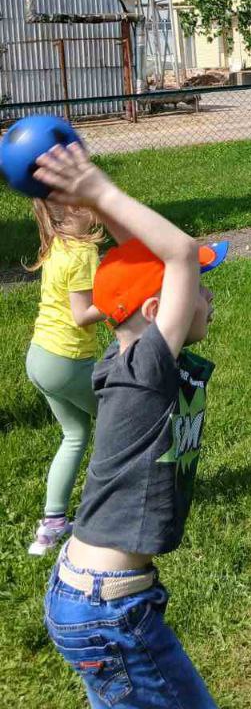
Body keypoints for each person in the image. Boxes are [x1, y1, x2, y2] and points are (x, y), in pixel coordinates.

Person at [36, 141, 228, 708]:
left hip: (94, 597)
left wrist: (98, 208)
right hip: (108, 611)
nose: (206, 294)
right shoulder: (147, 370)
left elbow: (148, 264)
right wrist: (99, 189)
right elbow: (180, 255)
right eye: (198, 288)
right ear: (156, 313)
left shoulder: (124, 359)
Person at [24, 198, 104, 556]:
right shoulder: (83, 252)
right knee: (118, 420)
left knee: (75, 434)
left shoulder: (57, 244)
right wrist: (123, 300)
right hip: (68, 362)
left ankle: (52, 523)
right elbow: (82, 314)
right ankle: (114, 505)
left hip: (40, 357)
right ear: (73, 210)